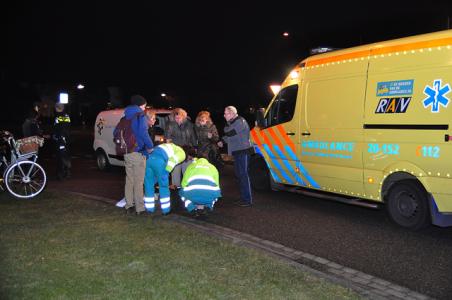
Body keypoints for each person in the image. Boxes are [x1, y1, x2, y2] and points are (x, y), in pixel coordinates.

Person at [120, 95, 154, 215]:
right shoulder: (140, 115)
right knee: (139, 182)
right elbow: (143, 133)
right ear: (140, 105)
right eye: (144, 105)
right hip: (138, 152)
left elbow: (116, 132)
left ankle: (129, 205)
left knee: (129, 180)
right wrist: (150, 147)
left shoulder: (125, 116)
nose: (145, 108)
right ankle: (140, 208)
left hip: (127, 152)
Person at [218, 106, 253, 207]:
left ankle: (247, 200)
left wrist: (225, 128)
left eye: (226, 113)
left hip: (243, 151)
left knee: (243, 175)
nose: (224, 115)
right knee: (239, 174)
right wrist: (222, 141)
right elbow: (231, 136)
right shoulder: (235, 122)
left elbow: (229, 132)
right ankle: (244, 197)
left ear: (232, 114)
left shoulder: (239, 121)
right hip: (239, 151)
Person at [143, 142, 186, 215]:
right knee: (163, 187)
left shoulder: (168, 145)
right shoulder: (182, 153)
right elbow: (172, 161)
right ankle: (166, 210)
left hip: (148, 160)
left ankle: (149, 209)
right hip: (159, 162)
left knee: (149, 185)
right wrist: (166, 172)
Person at [179, 146, 221, 217]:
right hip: (208, 195)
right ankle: (208, 207)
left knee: (181, 192)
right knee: (216, 193)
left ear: (197, 159)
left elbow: (183, 184)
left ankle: (191, 209)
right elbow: (217, 185)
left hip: (192, 195)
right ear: (207, 160)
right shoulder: (212, 167)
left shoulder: (191, 167)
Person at [164, 108, 197, 189]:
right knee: (176, 169)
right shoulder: (170, 125)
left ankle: (187, 185)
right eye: (176, 117)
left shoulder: (189, 125)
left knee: (187, 169)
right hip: (176, 151)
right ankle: (175, 186)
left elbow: (193, 137)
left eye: (179, 117)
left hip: (187, 150)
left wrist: (195, 149)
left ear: (183, 116)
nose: (177, 119)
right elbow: (167, 138)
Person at [52, 103, 72, 180]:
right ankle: (67, 172)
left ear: (57, 108)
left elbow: (57, 129)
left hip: (60, 140)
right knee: (66, 155)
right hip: (66, 139)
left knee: (60, 157)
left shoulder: (57, 117)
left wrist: (54, 136)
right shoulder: (67, 116)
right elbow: (68, 128)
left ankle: (61, 174)